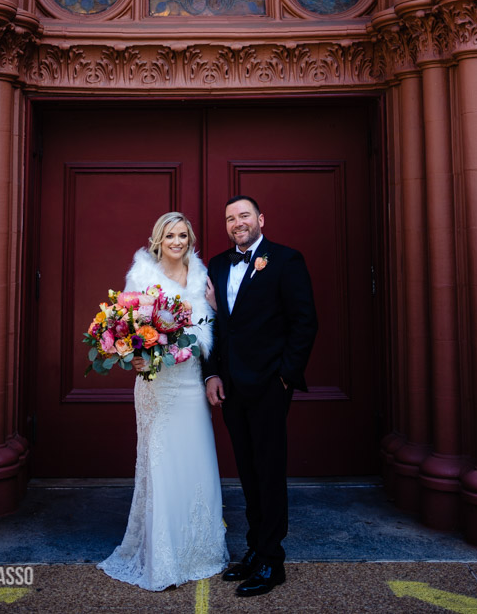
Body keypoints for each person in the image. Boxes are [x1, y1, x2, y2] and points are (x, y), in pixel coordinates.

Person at [98, 212, 228, 591]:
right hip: (157, 383)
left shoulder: (204, 277)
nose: (177, 241)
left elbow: (212, 329)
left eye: (183, 235)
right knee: (162, 465)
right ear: (158, 239)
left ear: (190, 240)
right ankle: (163, 556)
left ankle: (200, 550)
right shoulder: (142, 276)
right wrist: (134, 355)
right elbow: (128, 328)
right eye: (170, 235)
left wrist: (215, 311)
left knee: (196, 459)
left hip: (190, 381)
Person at [203, 195, 318, 598]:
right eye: (231, 218)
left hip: (270, 384)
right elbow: (213, 326)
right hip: (231, 385)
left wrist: (285, 377)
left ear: (260, 219)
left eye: (244, 215)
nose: (238, 223)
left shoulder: (286, 260)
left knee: (269, 470)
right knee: (248, 471)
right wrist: (213, 373)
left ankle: (273, 559)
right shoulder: (217, 265)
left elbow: (304, 322)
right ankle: (255, 548)